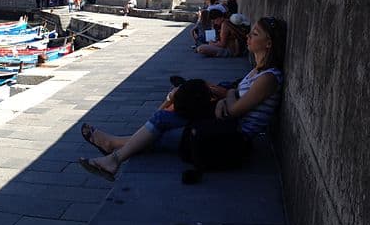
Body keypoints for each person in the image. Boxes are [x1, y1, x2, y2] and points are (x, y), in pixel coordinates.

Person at [78, 16, 285, 180]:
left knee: (160, 130)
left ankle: (114, 154)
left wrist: (228, 95)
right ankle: (113, 149)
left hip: (230, 137)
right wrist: (224, 95)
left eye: (255, 34)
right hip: (222, 126)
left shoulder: (268, 78)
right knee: (166, 116)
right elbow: (234, 100)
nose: (248, 35)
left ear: (268, 44)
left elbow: (233, 111)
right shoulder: (257, 72)